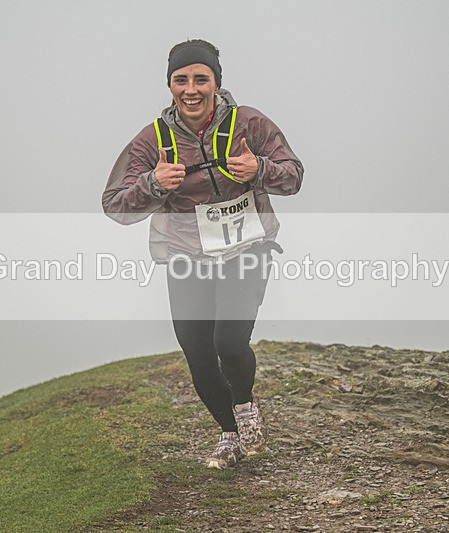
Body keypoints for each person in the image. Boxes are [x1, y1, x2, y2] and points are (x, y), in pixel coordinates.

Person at [102, 39, 303, 469]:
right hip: (185, 256)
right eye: (181, 80)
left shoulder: (250, 123)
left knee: (228, 343)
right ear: (170, 85)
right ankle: (229, 435)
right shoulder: (152, 140)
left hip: (246, 249)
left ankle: (246, 409)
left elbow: (294, 177)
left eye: (200, 78)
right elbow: (114, 205)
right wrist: (154, 184)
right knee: (196, 351)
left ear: (216, 83)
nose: (190, 89)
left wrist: (260, 171)